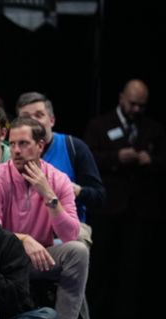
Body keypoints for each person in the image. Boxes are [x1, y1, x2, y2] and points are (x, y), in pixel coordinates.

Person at [0, 117, 88, 319]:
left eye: (24, 143)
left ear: (40, 146)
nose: (16, 150)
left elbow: (70, 234)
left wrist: (48, 195)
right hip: (3, 260)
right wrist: (24, 240)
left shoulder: (58, 179)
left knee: (78, 251)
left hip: (41, 258)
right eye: (13, 144)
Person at [84, 79, 165, 319]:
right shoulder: (100, 125)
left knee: (133, 266)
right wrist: (116, 157)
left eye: (141, 105)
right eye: (132, 104)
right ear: (121, 98)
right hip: (108, 206)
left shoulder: (153, 128)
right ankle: (94, 318)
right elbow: (88, 158)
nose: (136, 110)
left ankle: (127, 318)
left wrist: (149, 160)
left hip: (140, 208)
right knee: (100, 263)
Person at [16, 92, 105, 236]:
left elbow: (99, 197)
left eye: (39, 115)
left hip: (65, 230)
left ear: (51, 120)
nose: (32, 121)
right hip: (24, 230)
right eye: (26, 117)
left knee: (78, 248)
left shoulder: (74, 147)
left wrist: (77, 191)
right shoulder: (10, 152)